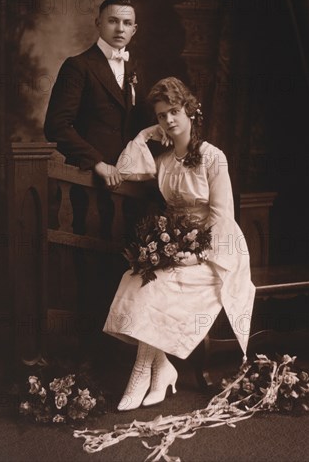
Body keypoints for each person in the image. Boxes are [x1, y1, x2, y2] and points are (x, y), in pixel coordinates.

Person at [104, 77, 256, 411]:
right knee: (136, 278)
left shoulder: (213, 158)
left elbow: (222, 217)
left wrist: (197, 253)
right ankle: (160, 369)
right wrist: (144, 135)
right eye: (161, 116)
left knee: (157, 285)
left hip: (218, 249)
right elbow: (125, 170)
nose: (169, 121)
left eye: (174, 111)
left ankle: (144, 371)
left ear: (189, 110)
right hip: (177, 243)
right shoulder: (163, 162)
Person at [44, 0, 144, 189]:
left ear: (134, 29)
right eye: (113, 21)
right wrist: (96, 162)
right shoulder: (77, 66)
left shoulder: (134, 69)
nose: (120, 29)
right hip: (86, 179)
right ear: (98, 23)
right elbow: (56, 126)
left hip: (127, 183)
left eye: (127, 23)